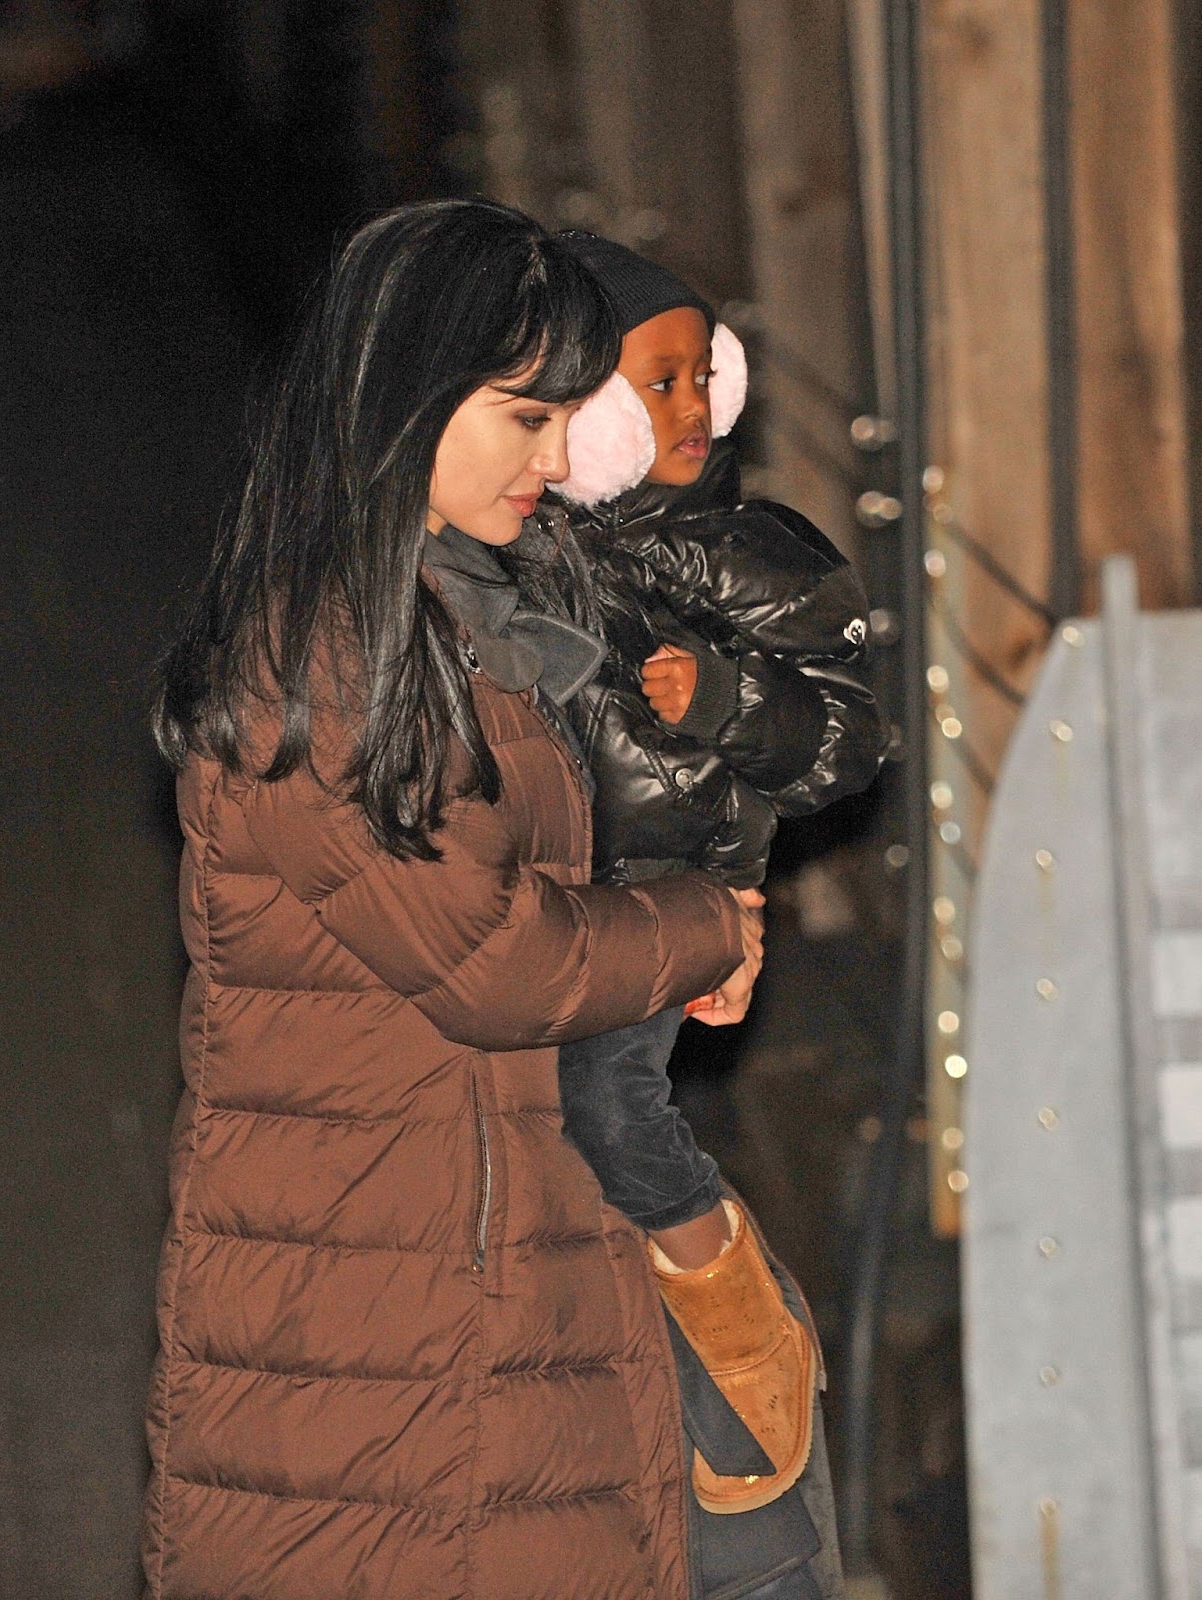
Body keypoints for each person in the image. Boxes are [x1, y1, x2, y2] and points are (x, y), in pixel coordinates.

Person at [144, 198, 767, 1600]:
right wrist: (699, 926)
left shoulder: (453, 614)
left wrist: (665, 945)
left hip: (471, 1272)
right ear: (403, 401)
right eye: (522, 418)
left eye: (563, 419)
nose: (558, 459)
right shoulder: (321, 658)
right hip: (389, 1315)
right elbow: (493, 959)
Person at [502, 230, 883, 1567]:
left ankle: (724, 1300)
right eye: (646, 386)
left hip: (670, 897)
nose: (680, 415)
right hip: (564, 904)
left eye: (692, 383)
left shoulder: (746, 549)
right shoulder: (530, 545)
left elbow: (848, 742)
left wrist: (722, 700)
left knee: (614, 1103)